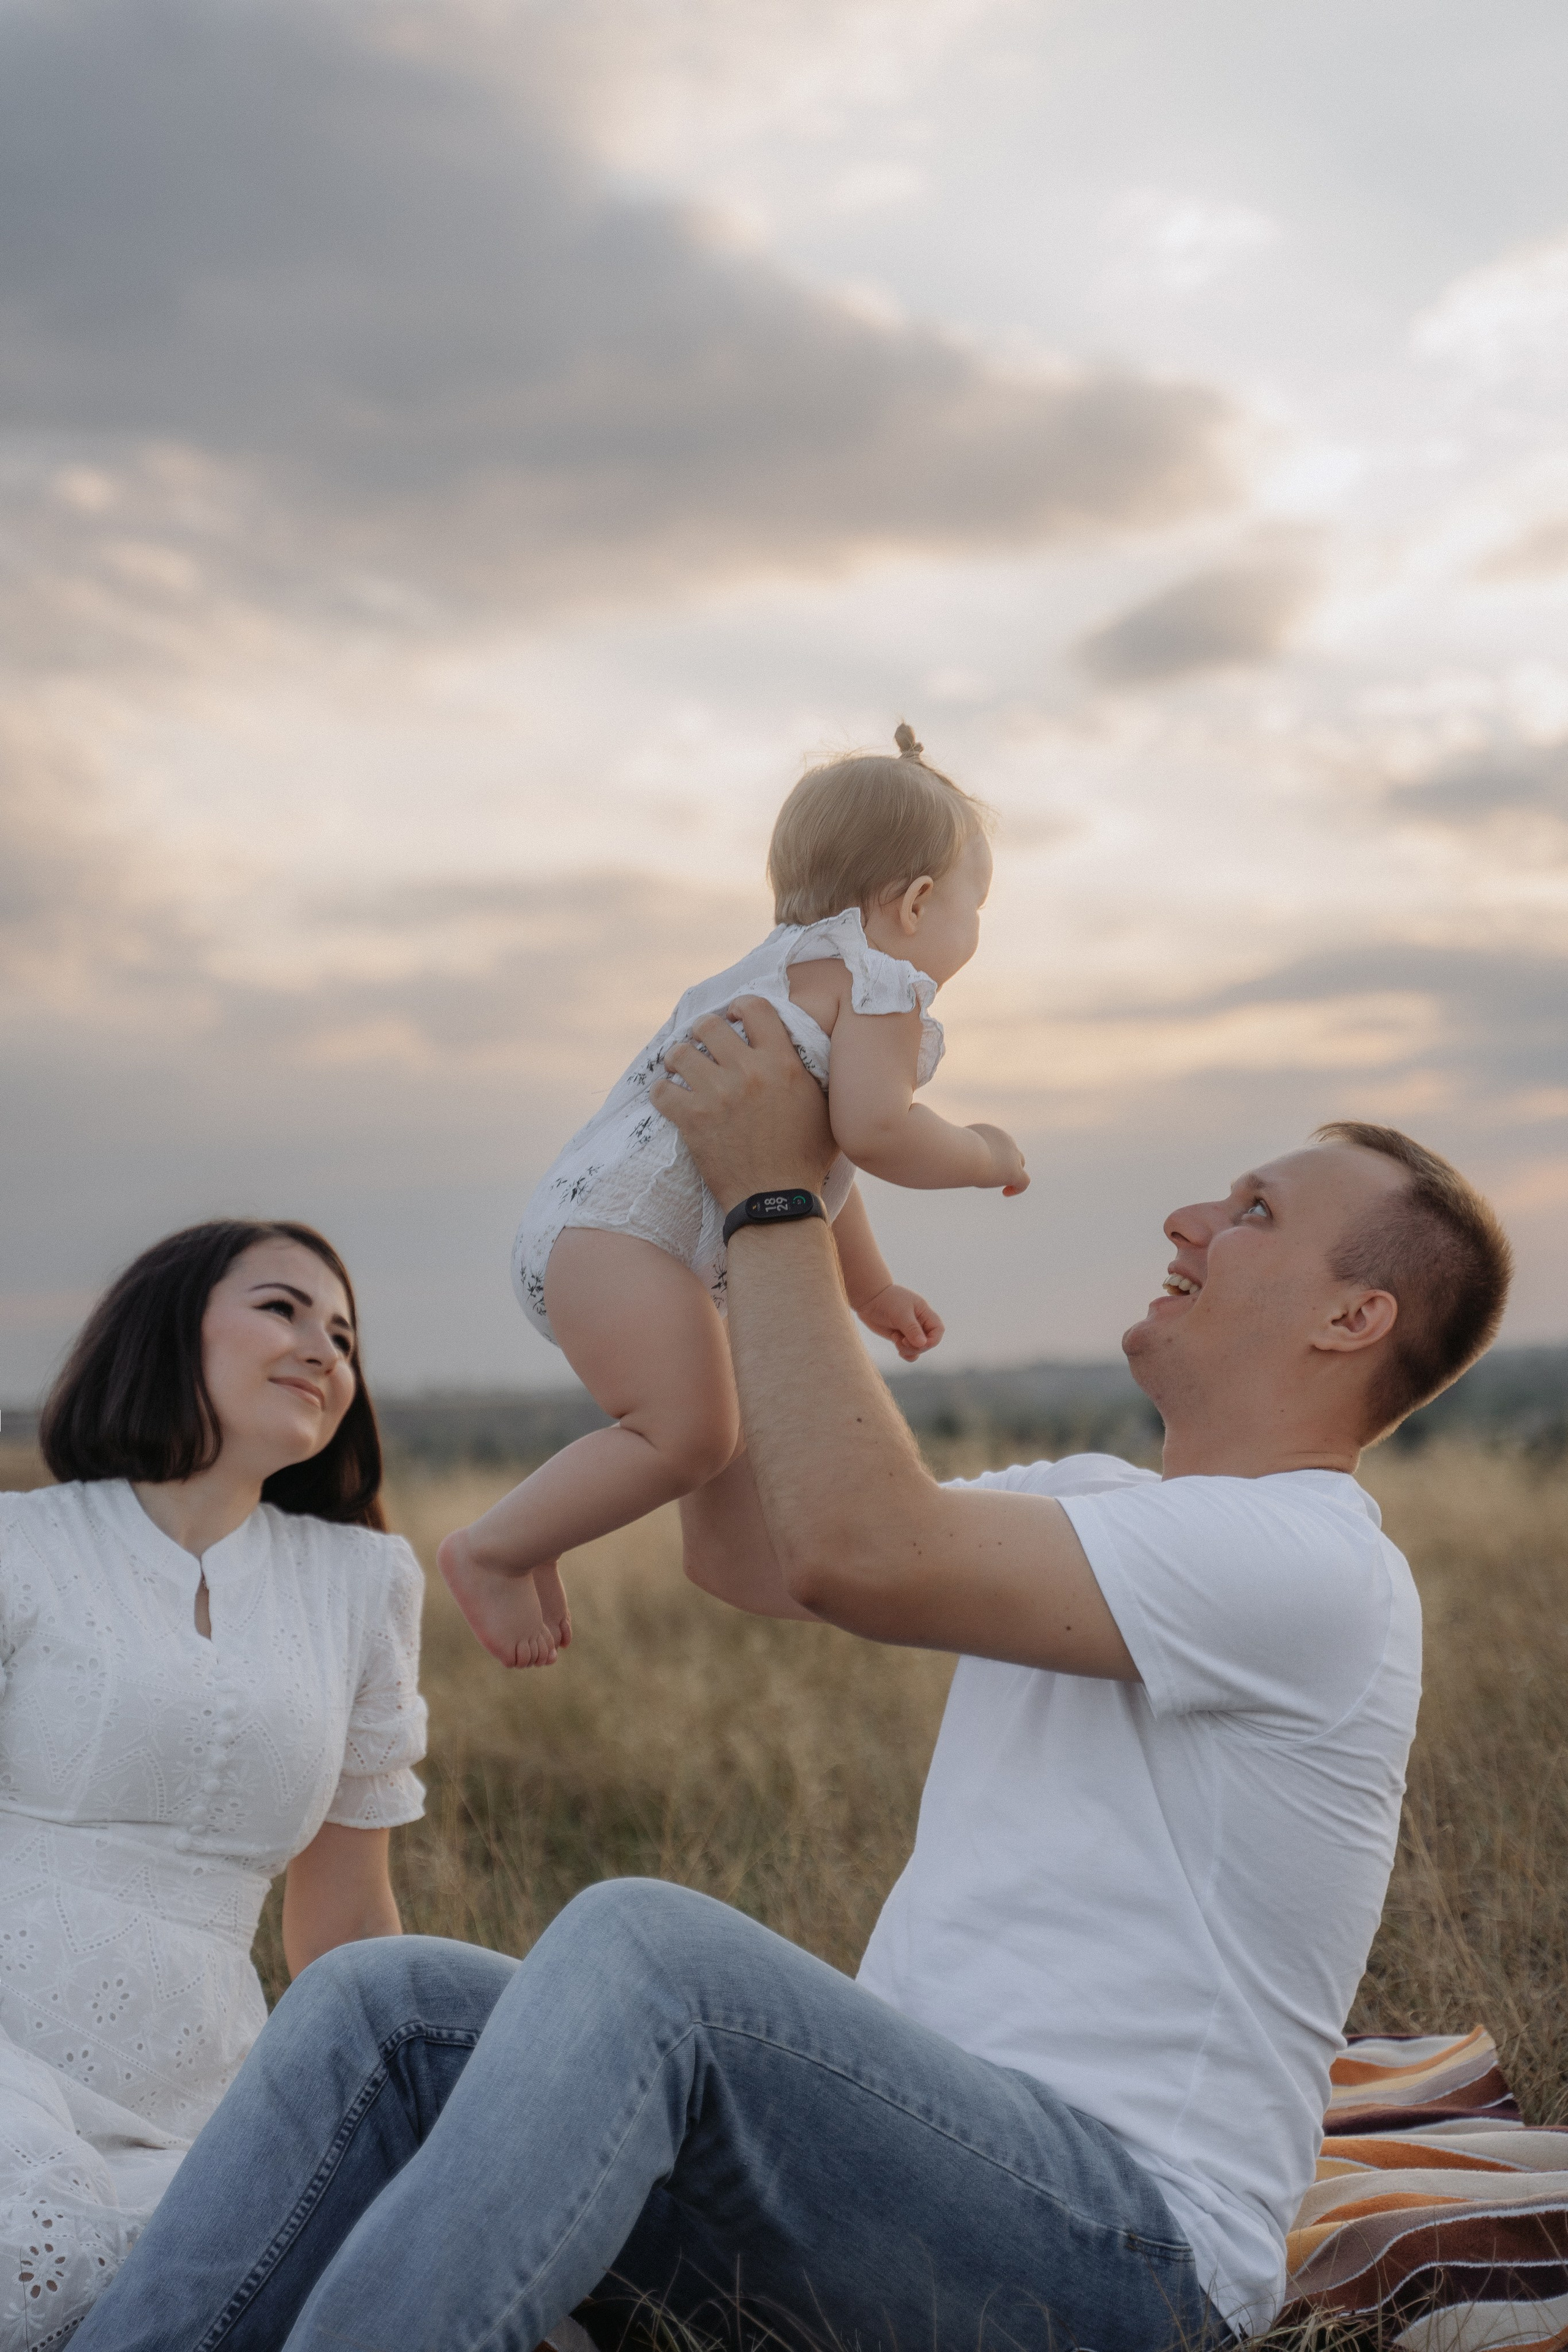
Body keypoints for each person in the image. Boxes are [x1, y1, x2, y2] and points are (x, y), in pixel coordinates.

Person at [68, 1014, 1512, 2352]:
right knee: (379, 2006)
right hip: (903, 2180)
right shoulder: (1099, 1503)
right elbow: (760, 1548)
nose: (1187, 1219)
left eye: (1254, 1210)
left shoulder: (1313, 1569)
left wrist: (772, 1204)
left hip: (1120, 2256)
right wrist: (741, 1201)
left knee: (648, 1950)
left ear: (1352, 1320)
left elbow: (859, 1550)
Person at [438, 725, 1028, 1668]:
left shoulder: (773, 968)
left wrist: (868, 1292)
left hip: (588, 1232)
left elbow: (814, 1168)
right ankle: (492, 1547)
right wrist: (985, 1150)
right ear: (918, 903)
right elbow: (878, 1136)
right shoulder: (882, 986)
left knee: (705, 1434)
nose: (974, 928)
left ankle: (535, 1538)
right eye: (978, 904)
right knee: (689, 1436)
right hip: (631, 1241)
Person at [0, 1221, 427, 2346]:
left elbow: (345, 1922)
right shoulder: (18, 1547)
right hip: (6, 2049)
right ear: (167, 1324)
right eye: (282, 1309)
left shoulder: (362, 1582)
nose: (324, 1348)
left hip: (206, 2093)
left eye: (343, 1334)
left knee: (412, 2285)